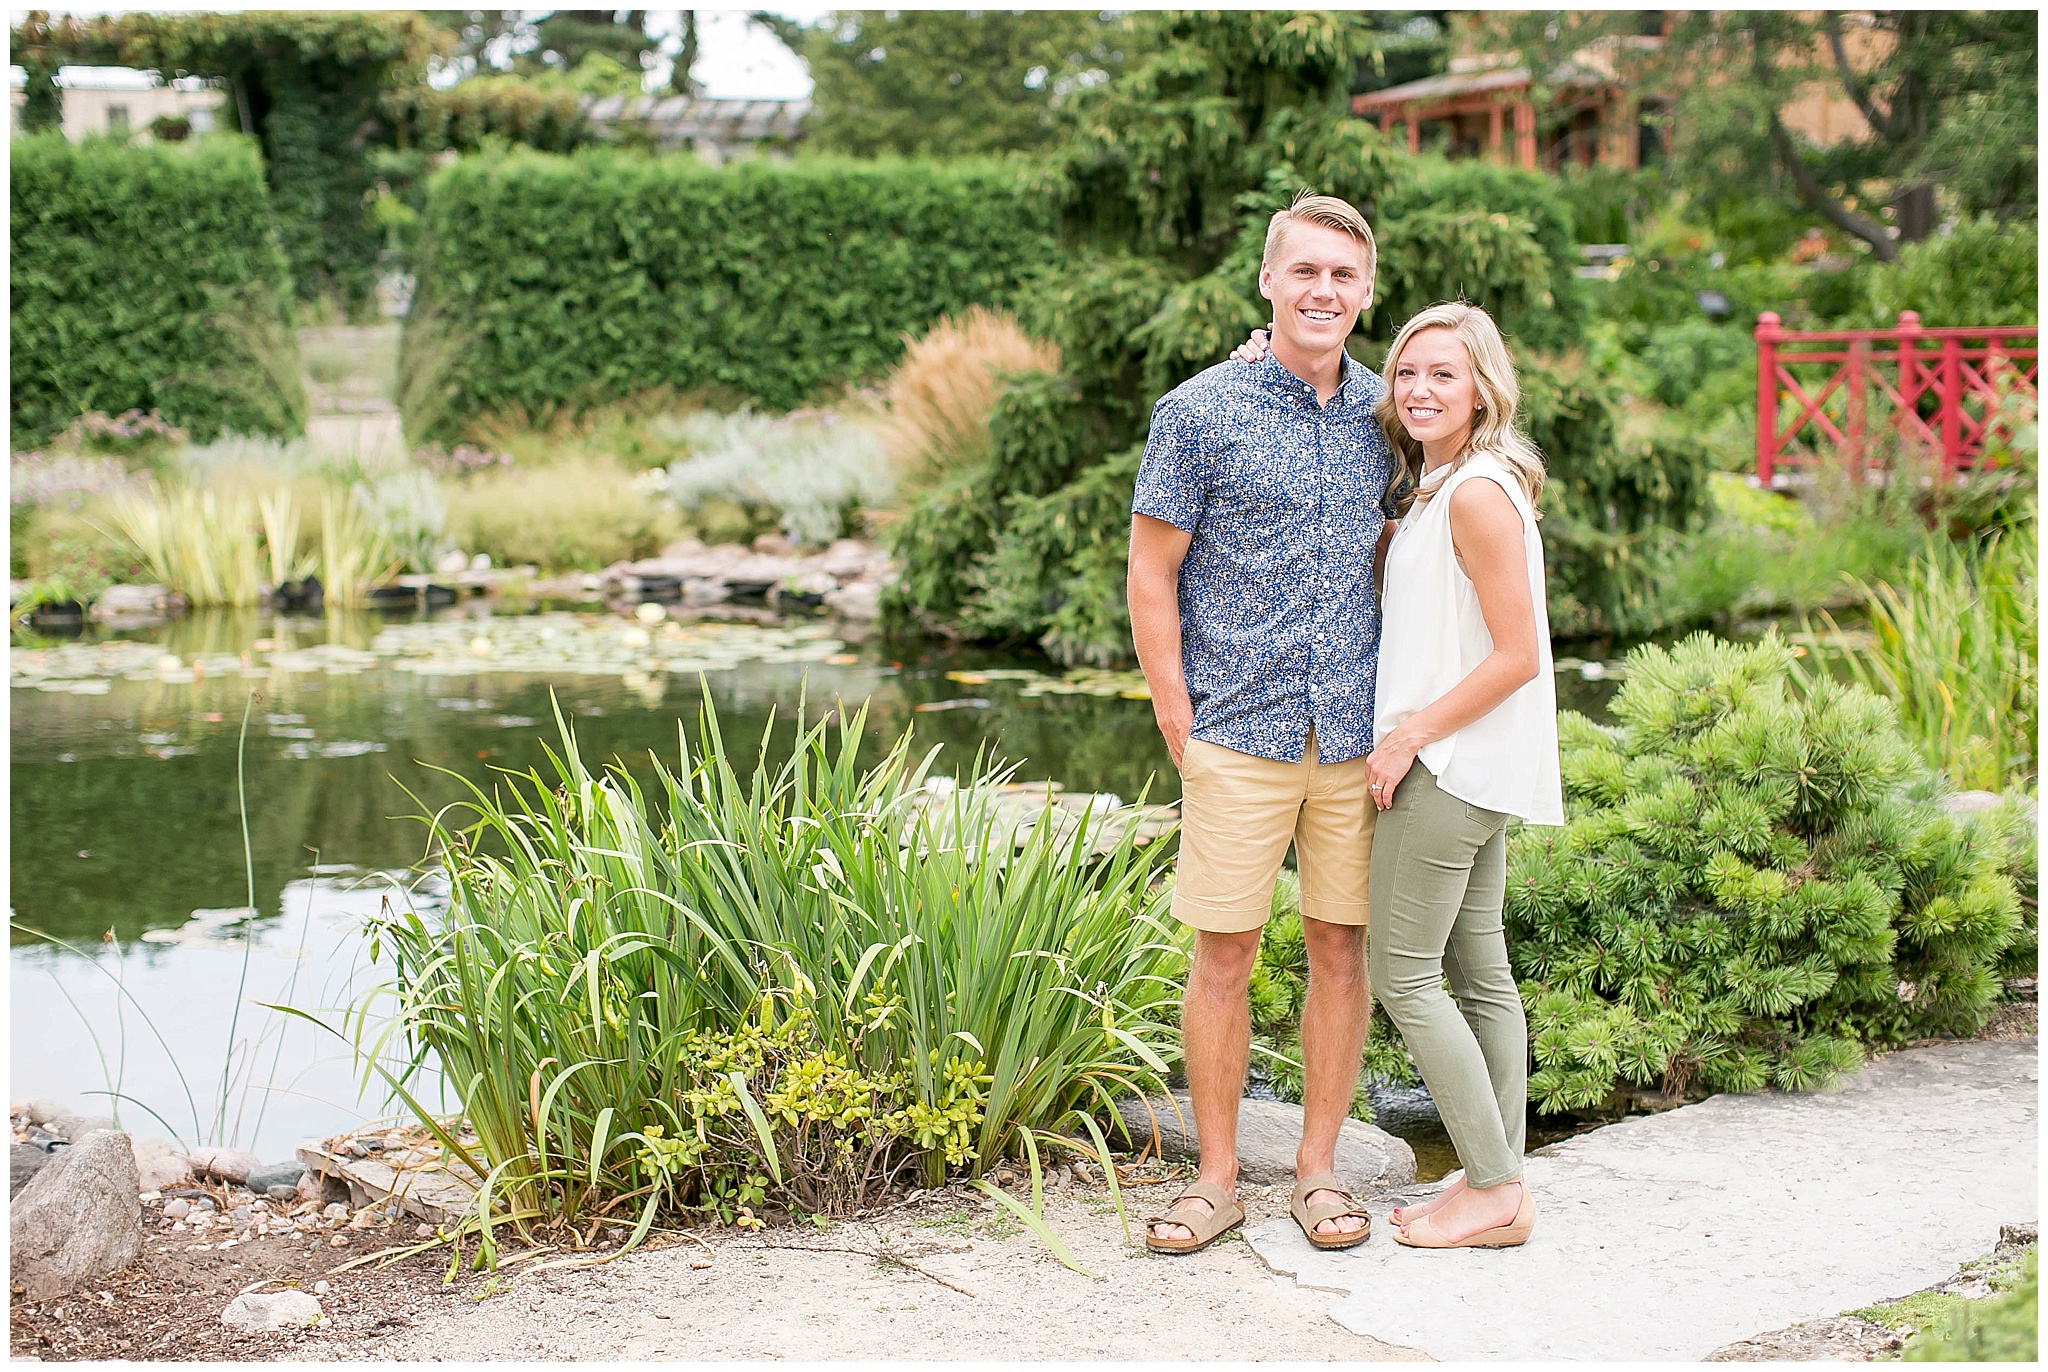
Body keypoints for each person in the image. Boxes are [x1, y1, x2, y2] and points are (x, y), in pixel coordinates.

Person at [1251, 301, 1565, 1248]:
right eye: (1409, 373)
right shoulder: (1449, 484)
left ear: (1483, 390)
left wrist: (1404, 740)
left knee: (1403, 977)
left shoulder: (1474, 492)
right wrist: (1259, 357)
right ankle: (1495, 1182)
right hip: (1478, 763)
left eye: (1446, 375)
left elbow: (1518, 653)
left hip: (1450, 765)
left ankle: (1495, 1187)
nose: (1422, 390)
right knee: (1482, 976)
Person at [1127, 191, 1395, 1256]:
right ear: (1268, 282)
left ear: (1364, 291)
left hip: (1353, 732)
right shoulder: (1196, 412)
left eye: (1343, 274)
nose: (1323, 290)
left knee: (1338, 946)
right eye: (1305, 271)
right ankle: (1216, 1177)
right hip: (1236, 728)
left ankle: (1320, 1173)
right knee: (1223, 952)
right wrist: (1173, 713)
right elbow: (1151, 575)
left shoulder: (1390, 413)